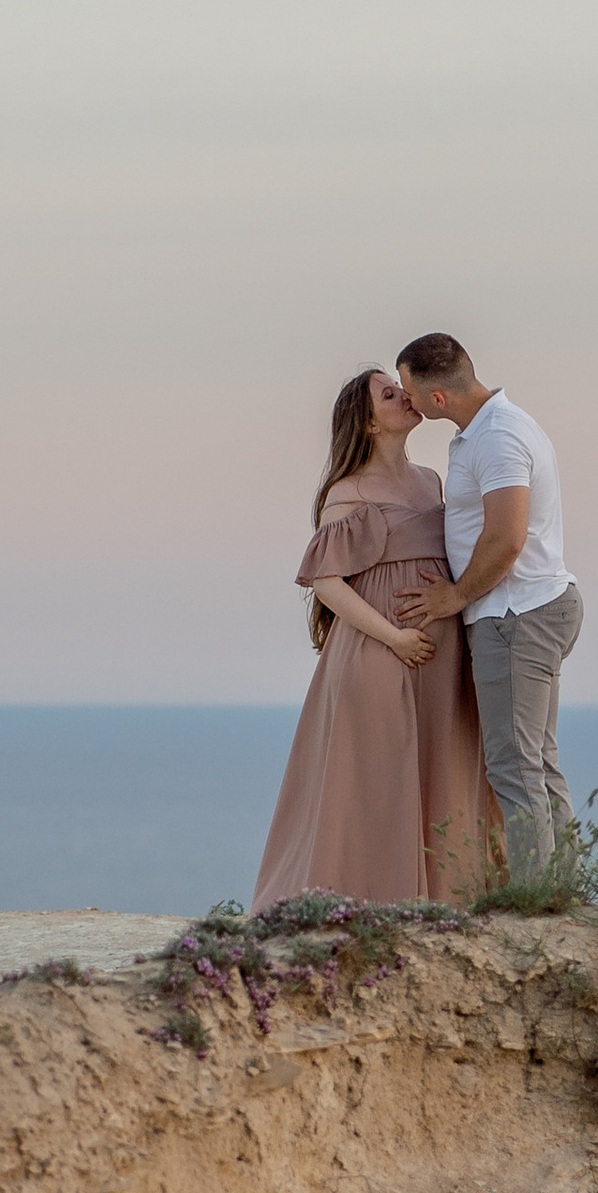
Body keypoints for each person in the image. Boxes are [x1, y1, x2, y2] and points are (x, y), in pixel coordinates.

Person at [251, 366, 496, 912]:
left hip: (442, 656)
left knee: (444, 768)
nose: (405, 397)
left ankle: (444, 901)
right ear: (367, 423)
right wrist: (394, 638)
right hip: (381, 652)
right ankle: (369, 903)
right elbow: (325, 581)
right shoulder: (349, 492)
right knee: (377, 782)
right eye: (390, 394)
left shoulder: (432, 481)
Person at [393, 333, 581, 884]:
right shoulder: (484, 430)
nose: (406, 399)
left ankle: (539, 899)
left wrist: (454, 597)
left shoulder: (498, 437)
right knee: (536, 761)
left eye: (409, 390)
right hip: (524, 611)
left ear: (437, 399)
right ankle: (561, 891)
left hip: (516, 616)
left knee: (514, 766)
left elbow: (506, 537)